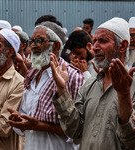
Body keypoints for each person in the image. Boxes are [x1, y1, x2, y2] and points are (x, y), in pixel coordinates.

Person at [51, 17, 135, 150]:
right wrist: (62, 90)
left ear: (123, 46)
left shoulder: (132, 86)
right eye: (94, 41)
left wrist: (124, 94)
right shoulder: (90, 85)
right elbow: (75, 131)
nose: (95, 47)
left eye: (103, 41)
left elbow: (131, 141)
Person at [8, 21, 84, 150]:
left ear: (56, 46)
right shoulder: (32, 74)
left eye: (40, 41)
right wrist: (19, 119)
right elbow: (27, 116)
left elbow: (76, 130)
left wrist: (39, 125)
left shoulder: (72, 76)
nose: (33, 46)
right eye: (32, 41)